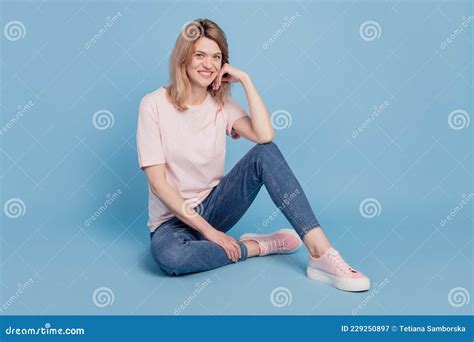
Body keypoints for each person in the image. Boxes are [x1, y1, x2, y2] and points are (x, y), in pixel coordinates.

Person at [136, 19, 370, 292]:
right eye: (200, 55)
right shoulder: (153, 105)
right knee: (172, 258)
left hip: (215, 207)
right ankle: (258, 246)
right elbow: (158, 184)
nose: (208, 64)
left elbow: (264, 136)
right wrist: (211, 234)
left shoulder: (221, 104)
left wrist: (246, 80)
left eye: (216, 57)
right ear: (184, 57)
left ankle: (321, 253)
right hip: (172, 223)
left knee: (265, 154)